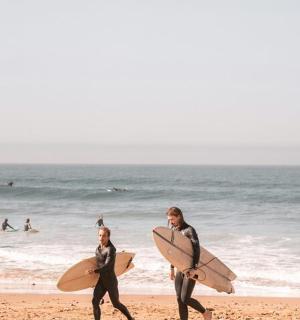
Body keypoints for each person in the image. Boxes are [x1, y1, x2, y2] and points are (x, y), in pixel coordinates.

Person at [167, 207, 212, 320]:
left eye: (172, 219)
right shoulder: (174, 229)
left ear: (179, 216)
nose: (171, 222)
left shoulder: (189, 230)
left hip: (190, 268)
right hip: (179, 268)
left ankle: (205, 312)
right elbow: (172, 251)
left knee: (185, 298)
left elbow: (197, 249)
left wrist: (194, 269)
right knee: (179, 298)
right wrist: (172, 268)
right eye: (169, 219)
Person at [88, 226, 134, 320]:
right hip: (101, 281)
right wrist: (93, 281)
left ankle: (130, 318)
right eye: (100, 235)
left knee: (116, 304)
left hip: (110, 281)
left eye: (104, 236)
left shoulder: (111, 249)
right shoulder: (98, 249)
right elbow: (98, 264)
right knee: (95, 301)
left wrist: (95, 271)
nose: (101, 238)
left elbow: (107, 266)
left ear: (108, 237)